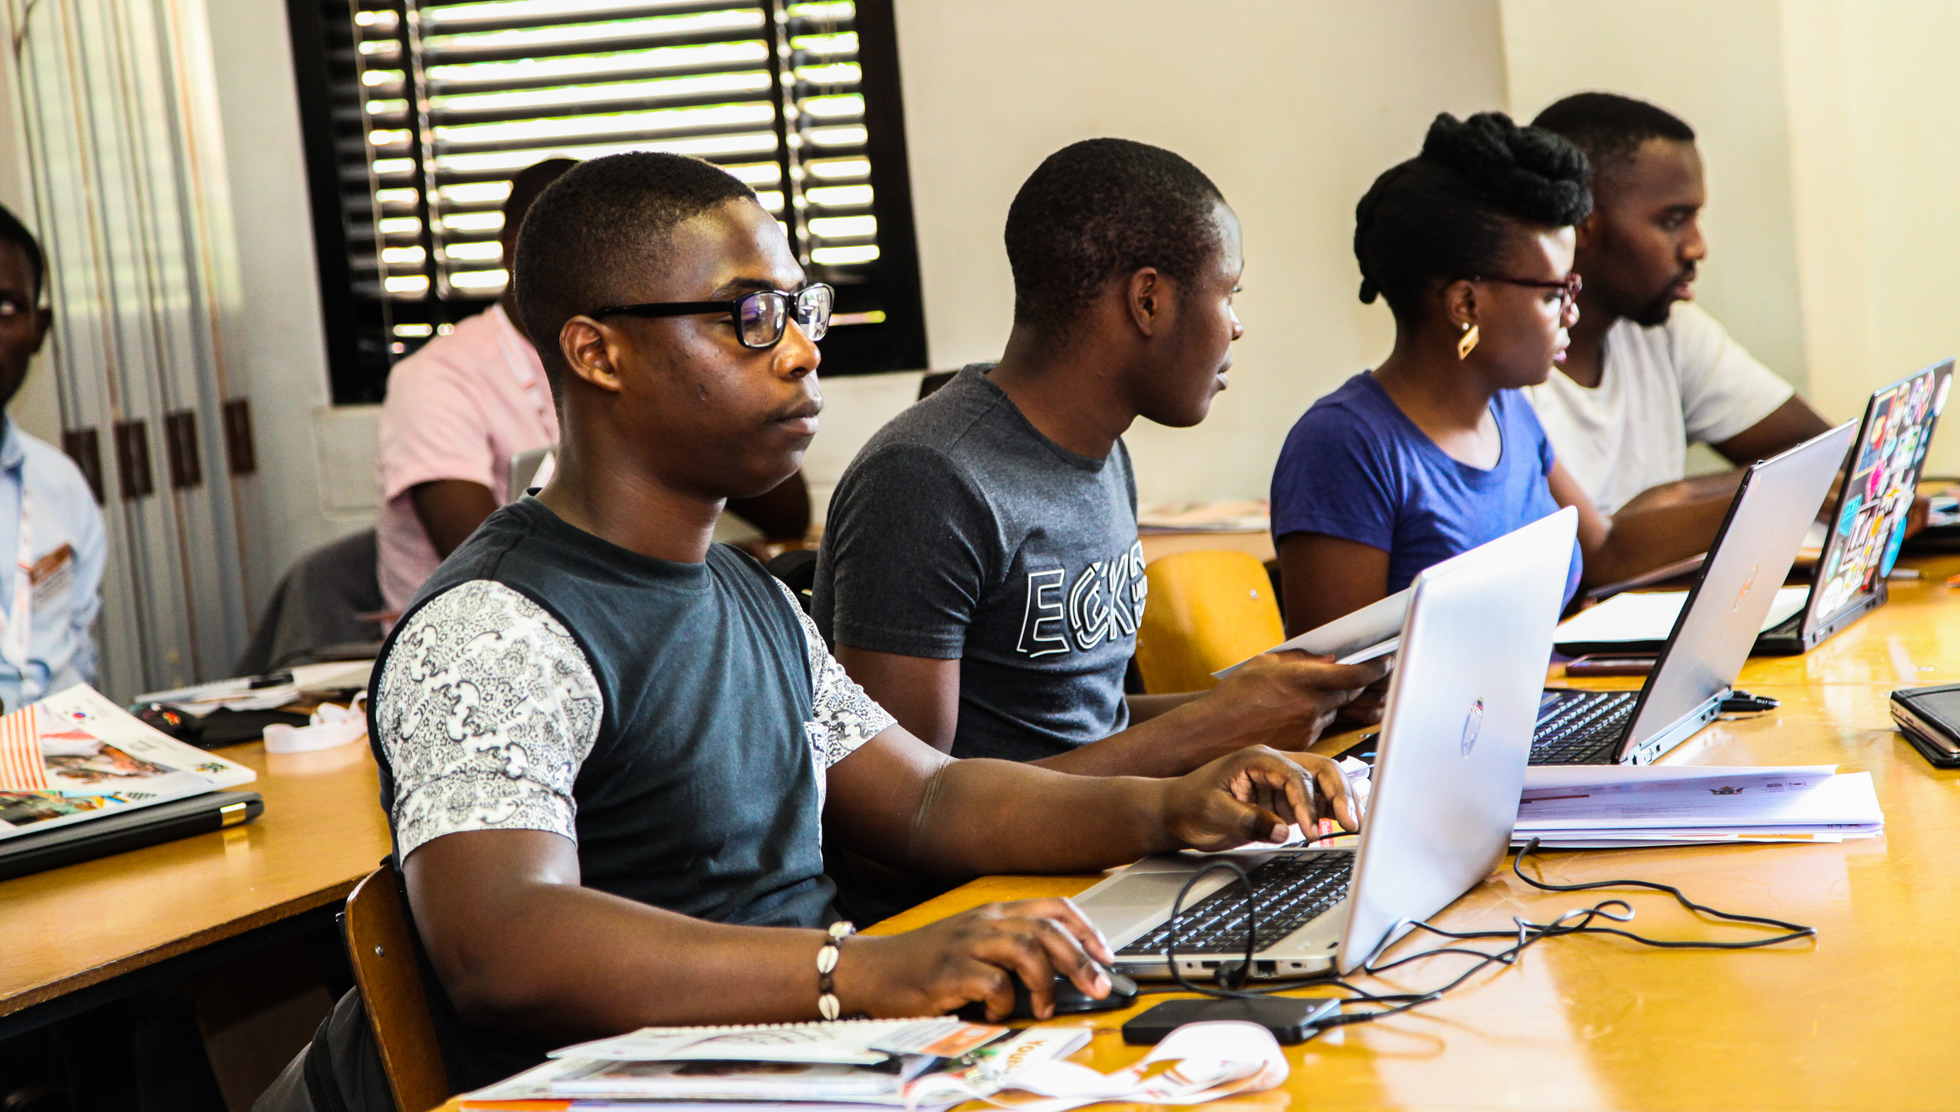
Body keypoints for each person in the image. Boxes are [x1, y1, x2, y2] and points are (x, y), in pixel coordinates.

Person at [258, 152, 1360, 1109]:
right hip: (641, 1081)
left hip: (818, 1055)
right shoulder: (495, 626)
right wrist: (860, 967)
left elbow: (927, 794)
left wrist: (1174, 801)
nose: (798, 352)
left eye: (802, 311)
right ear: (595, 352)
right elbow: (501, 938)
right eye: (748, 317)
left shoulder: (748, 596)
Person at [812, 139, 1385, 775]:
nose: (1236, 326)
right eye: (1230, 293)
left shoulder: (1103, 451)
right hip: (993, 877)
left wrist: (1275, 705)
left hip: (1108, 847)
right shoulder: (927, 479)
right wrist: (1213, 728)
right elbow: (903, 819)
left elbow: (1085, 729)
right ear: (1148, 301)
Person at [1271, 113, 1730, 637]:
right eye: (1555, 294)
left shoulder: (1506, 410)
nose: (1571, 314)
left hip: (1546, 706)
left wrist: (1775, 501)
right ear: (1466, 303)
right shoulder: (1345, 445)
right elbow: (1328, 692)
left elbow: (1603, 550)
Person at [373, 158, 812, 613]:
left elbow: (788, 518)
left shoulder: (650, 346)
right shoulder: (436, 378)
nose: (804, 353)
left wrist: (751, 403)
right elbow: (500, 569)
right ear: (516, 256)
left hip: (635, 604)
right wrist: (696, 569)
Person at [1524, 92, 1830, 517]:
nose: (1696, 247)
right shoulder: (1506, 373)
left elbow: (1824, 457)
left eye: (1695, 219)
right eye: (1672, 221)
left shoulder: (1666, 331)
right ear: (1581, 226)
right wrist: (1679, 502)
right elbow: (1586, 555)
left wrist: (1675, 499)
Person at [0, 204, 104, 711]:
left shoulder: (59, 486)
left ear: (39, 328)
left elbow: (77, 656)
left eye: (5, 310)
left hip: (56, 766)